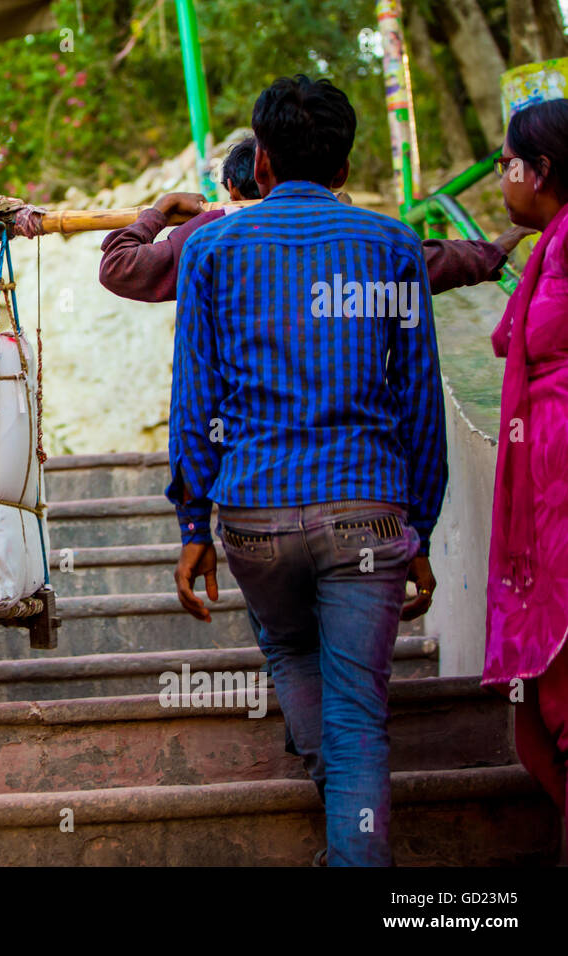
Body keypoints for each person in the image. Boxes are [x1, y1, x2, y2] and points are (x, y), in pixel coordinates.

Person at [168, 75, 447, 866]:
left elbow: (196, 400)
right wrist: (417, 524)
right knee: (358, 712)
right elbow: (418, 401)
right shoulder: (393, 247)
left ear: (260, 165)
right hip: (369, 510)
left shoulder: (211, 250)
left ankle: (347, 843)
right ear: (344, 167)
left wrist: (194, 524)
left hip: (255, 512)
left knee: (291, 651)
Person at [100, 135, 532, 304]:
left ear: (238, 186)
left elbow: (120, 268)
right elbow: (425, 260)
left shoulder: (206, 237)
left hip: (251, 462)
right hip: (358, 466)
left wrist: (158, 213)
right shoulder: (360, 232)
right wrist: (495, 248)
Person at [483, 98, 568, 847]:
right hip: (545, 494)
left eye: (508, 164)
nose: (503, 180)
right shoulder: (550, 245)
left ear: (541, 171)